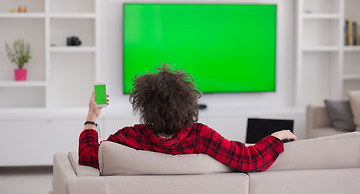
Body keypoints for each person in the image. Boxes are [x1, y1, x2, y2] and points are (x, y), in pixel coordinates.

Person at [79, 64, 296, 172]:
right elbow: (249, 159)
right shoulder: (201, 137)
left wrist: (92, 116)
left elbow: (87, 156)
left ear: (144, 106)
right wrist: (276, 137)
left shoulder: (130, 137)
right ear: (188, 102)